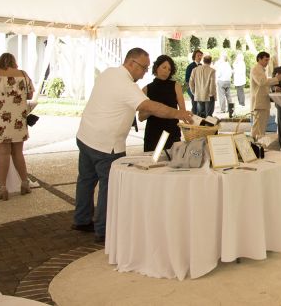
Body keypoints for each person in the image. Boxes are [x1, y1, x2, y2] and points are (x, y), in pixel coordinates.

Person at [72, 48, 192, 242]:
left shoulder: (109, 72)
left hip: (86, 134)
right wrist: (180, 114)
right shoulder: (127, 86)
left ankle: (82, 219)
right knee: (109, 186)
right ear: (131, 64)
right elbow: (151, 107)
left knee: (86, 179)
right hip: (106, 144)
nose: (145, 72)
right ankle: (103, 230)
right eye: (144, 68)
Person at [0, 53, 34, 201]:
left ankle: (2, 188)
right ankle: (24, 183)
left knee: (3, 154)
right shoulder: (23, 74)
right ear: (14, 62)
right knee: (18, 153)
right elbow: (30, 96)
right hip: (18, 119)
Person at [140, 55, 186, 152]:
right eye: (164, 67)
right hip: (153, 133)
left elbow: (183, 111)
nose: (166, 71)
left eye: (169, 69)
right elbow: (140, 117)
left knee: (174, 163)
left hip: (172, 132)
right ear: (156, 67)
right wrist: (153, 110)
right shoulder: (146, 89)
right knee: (153, 163)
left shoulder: (176, 86)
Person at [249, 51, 281, 140]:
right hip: (259, 103)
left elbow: (264, 85)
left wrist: (274, 89)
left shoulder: (261, 69)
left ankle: (259, 146)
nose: (267, 62)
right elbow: (261, 82)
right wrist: (276, 79)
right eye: (265, 60)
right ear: (259, 59)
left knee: (261, 128)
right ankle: (255, 147)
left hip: (263, 102)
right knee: (257, 128)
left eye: (268, 60)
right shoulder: (255, 69)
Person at [184, 49, 203, 114]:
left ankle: (198, 116)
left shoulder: (202, 66)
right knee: (194, 102)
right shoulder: (190, 66)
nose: (200, 57)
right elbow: (187, 79)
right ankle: (195, 117)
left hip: (199, 88)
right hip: (191, 87)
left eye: (201, 56)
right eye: (198, 55)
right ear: (194, 56)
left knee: (200, 104)